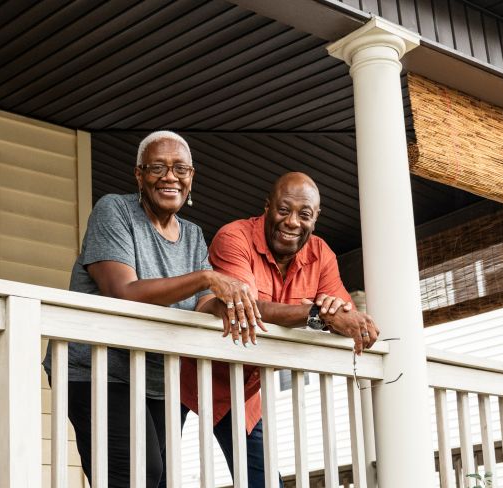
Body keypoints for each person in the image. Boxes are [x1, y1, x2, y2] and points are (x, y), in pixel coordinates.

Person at [41, 131, 262, 488]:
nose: (170, 176)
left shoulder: (192, 234)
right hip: (95, 369)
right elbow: (123, 293)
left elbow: (203, 305)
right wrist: (207, 277)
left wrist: (235, 303)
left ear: (192, 176)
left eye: (180, 168)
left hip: (157, 377)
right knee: (137, 474)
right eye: (157, 167)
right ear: (139, 175)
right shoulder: (114, 211)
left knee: (156, 480)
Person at [178, 172, 380, 487]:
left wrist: (348, 319)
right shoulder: (235, 237)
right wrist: (318, 314)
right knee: (153, 474)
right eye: (283, 210)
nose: (292, 222)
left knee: (264, 482)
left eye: (304, 215)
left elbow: (343, 313)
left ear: (316, 218)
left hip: (241, 390)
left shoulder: (321, 254)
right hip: (185, 374)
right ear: (267, 206)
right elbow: (245, 306)